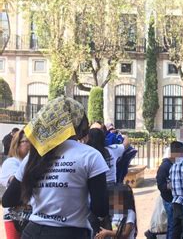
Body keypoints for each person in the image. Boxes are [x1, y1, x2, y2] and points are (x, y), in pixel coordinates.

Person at [2, 96, 109, 239]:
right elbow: (100, 209)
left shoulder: (34, 156)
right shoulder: (90, 155)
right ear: (78, 123)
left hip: (32, 232)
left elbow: (8, 200)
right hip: (72, 233)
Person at [144, 141, 183, 239]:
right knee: (172, 225)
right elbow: (161, 185)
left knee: (176, 225)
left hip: (176, 200)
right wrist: (173, 184)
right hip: (169, 200)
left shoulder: (177, 164)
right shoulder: (165, 166)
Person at [0, 129, 31, 239]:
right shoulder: (11, 162)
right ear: (16, 145)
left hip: (32, 217)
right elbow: (15, 184)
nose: (30, 144)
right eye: (26, 141)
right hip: (15, 217)